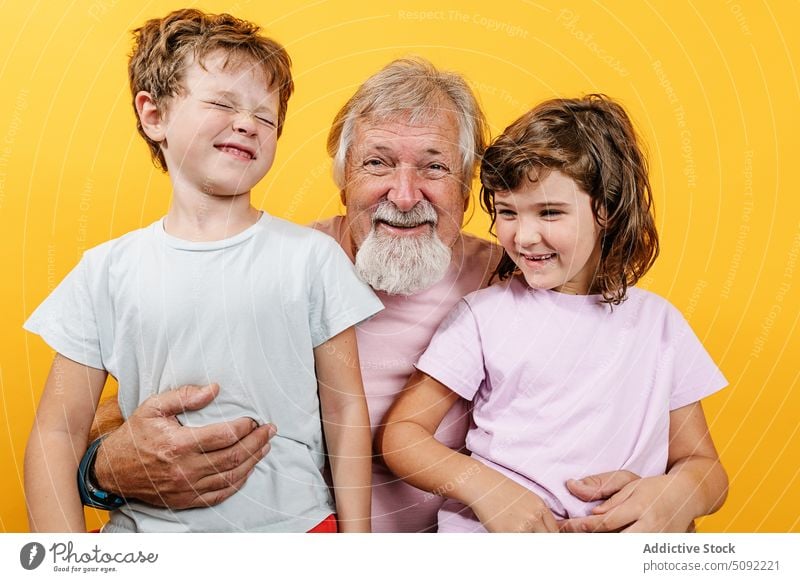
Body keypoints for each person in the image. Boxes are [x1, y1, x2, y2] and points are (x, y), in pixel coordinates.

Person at [75, 61, 688, 533]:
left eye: (434, 167)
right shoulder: (274, 265)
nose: (403, 193)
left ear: (471, 184)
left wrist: (675, 494)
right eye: (377, 163)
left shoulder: (515, 275)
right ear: (342, 177)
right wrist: (100, 468)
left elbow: (633, 394)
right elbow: (127, 400)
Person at [23, 9, 381, 533]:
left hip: (297, 533)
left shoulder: (313, 258)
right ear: (154, 115)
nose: (247, 123)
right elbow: (56, 432)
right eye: (221, 102)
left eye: (266, 116)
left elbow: (347, 415)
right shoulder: (105, 271)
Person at [378, 94, 729, 532]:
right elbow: (402, 435)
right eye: (507, 212)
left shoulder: (660, 325)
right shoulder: (484, 316)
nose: (523, 237)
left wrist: (677, 495)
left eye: (549, 212)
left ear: (605, 208)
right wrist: (485, 488)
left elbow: (704, 467)